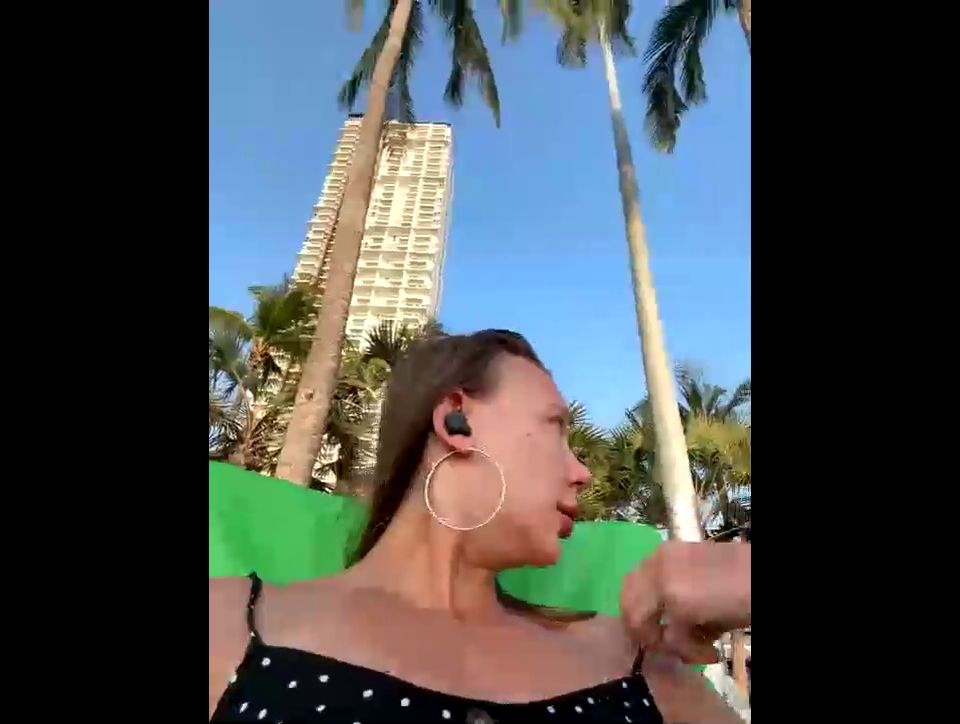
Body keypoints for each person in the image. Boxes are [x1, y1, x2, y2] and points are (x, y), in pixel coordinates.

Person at [209, 330, 751, 723]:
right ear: (456, 420)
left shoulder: (637, 662)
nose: (581, 472)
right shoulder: (227, 624)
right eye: (555, 427)